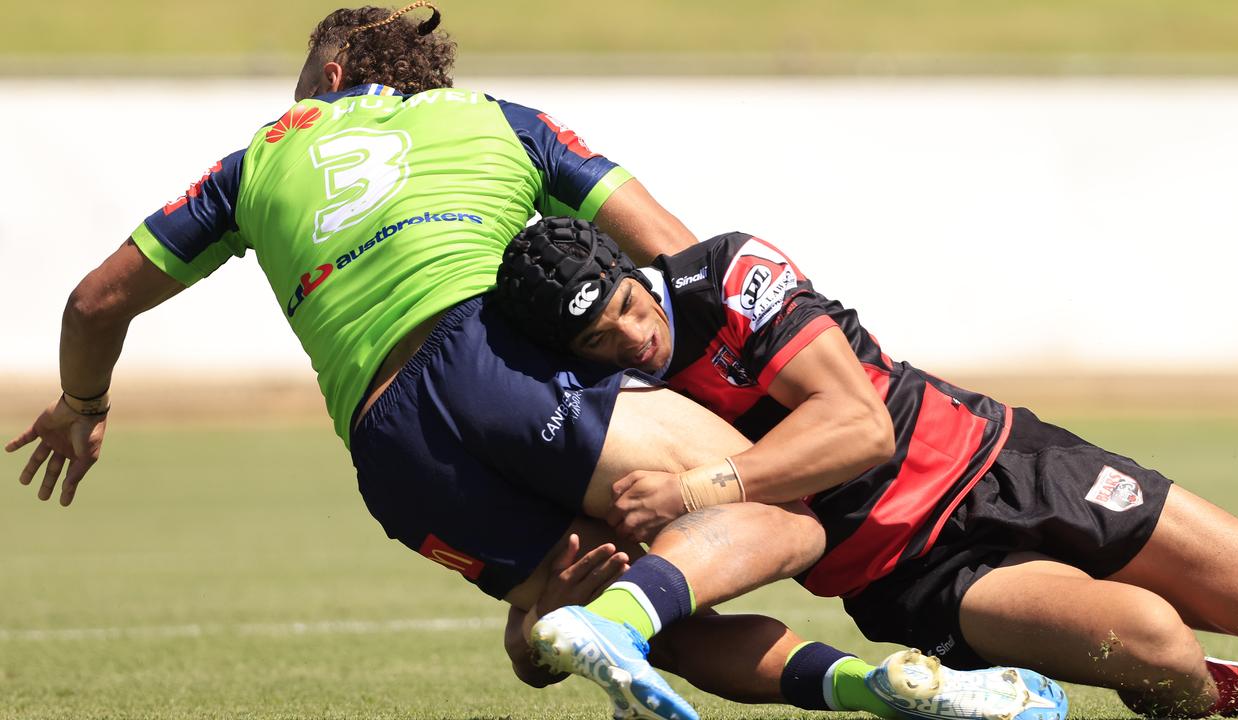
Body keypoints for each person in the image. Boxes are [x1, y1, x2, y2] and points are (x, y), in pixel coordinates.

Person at [0, 5, 1066, 720]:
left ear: (327, 72)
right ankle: (610, 625)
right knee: (781, 509)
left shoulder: (250, 164)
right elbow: (670, 249)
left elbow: (95, 299)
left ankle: (864, 690)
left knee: (613, 597)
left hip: (386, 450)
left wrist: (84, 403)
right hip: (495, 359)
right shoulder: (498, 121)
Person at [493, 216, 1238, 718]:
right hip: (912, 578)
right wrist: (534, 638)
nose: (630, 339)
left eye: (627, 307)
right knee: (1158, 648)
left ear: (634, 271)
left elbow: (860, 429)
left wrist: (694, 489)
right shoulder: (605, 413)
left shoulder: (727, 274)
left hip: (1006, 462)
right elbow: (559, 599)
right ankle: (1230, 691)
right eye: (597, 339)